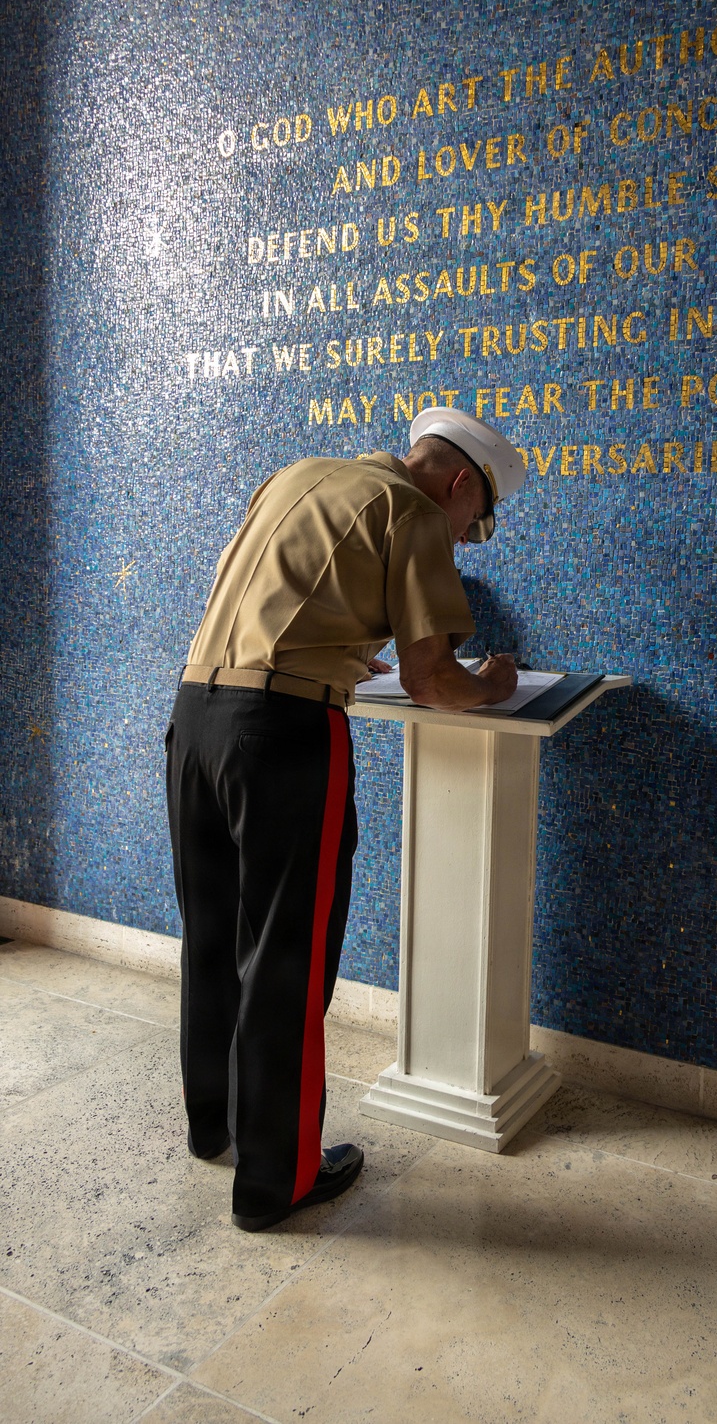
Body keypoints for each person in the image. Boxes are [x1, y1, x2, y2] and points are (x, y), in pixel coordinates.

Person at [165, 407, 526, 1230]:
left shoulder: (298, 475)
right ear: (459, 484)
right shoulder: (415, 511)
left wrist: (352, 648)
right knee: (286, 955)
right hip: (283, 736)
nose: (465, 536)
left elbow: (282, 606)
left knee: (213, 935)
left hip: (194, 718)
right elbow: (434, 681)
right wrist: (492, 683)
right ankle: (278, 1181)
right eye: (475, 520)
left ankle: (214, 1126)